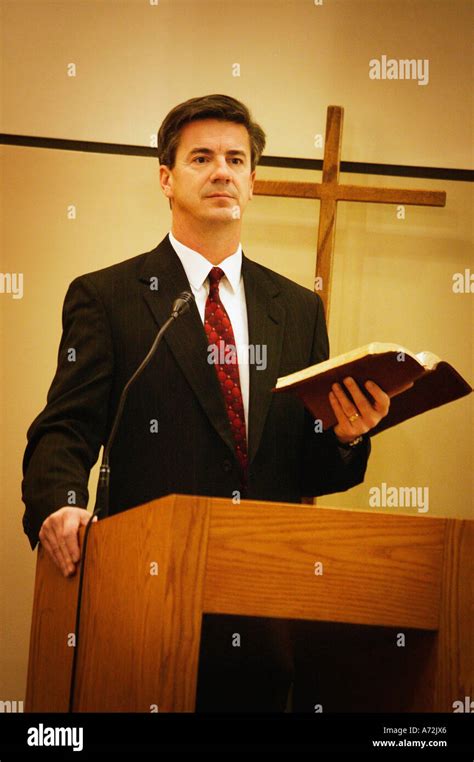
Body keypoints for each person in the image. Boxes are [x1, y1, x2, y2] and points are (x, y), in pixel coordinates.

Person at [22, 94, 392, 712]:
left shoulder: (298, 309)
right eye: (201, 158)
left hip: (267, 599)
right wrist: (60, 507)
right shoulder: (108, 296)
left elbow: (308, 463)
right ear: (166, 179)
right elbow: (65, 429)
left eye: (236, 159)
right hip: (146, 590)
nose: (222, 171)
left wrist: (348, 436)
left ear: (252, 181)